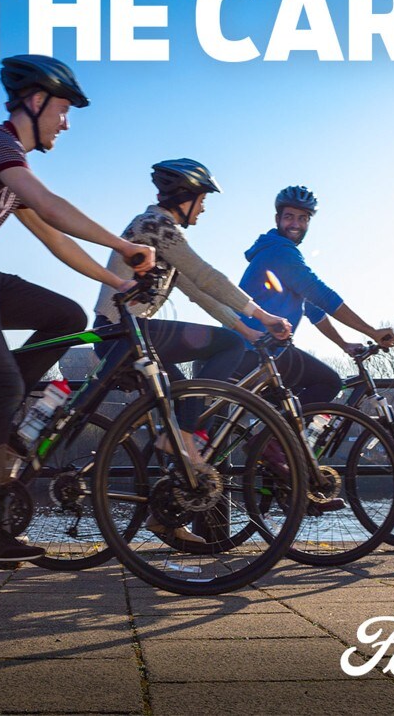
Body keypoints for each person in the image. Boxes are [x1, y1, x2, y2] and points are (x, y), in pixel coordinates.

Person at [0, 54, 156, 563]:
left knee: (65, 317)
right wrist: (123, 246)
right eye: (62, 110)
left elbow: (55, 238)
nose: (66, 122)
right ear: (35, 102)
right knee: (3, 387)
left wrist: (113, 279)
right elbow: (51, 202)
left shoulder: (9, 171)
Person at [92, 159, 291, 542]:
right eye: (202, 200)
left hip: (132, 338)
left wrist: (246, 329)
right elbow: (207, 276)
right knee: (194, 402)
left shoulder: (159, 236)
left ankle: (165, 516)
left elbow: (200, 294)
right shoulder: (156, 226)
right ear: (185, 197)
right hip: (124, 334)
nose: (203, 208)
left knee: (178, 410)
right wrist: (262, 316)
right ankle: (186, 434)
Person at [237, 185, 394, 405]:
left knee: (287, 404)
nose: (295, 224)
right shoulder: (280, 252)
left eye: (303, 218)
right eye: (289, 217)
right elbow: (321, 295)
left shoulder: (275, 250)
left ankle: (275, 437)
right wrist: (372, 331)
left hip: (255, 350)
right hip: (255, 351)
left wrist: (344, 344)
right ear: (277, 219)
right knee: (329, 382)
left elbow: (314, 309)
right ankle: (280, 439)